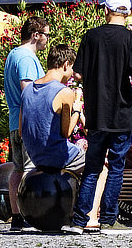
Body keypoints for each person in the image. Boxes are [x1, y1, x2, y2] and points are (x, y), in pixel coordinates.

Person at [70, 0, 132, 235]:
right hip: (121, 111)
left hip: (96, 111)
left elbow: (78, 74)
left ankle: (79, 221)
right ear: (128, 13)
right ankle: (109, 220)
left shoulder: (91, 37)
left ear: (105, 11)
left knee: (92, 167)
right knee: (116, 166)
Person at [3, 16, 48, 230]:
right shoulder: (27, 58)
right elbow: (28, 91)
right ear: (35, 35)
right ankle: (30, 214)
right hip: (28, 122)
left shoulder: (13, 54)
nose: (47, 39)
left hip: (15, 121)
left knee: (18, 169)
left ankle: (17, 217)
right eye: (46, 34)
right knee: (30, 170)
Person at [19, 44, 87, 175]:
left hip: (36, 158)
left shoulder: (27, 90)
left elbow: (21, 131)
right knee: (100, 168)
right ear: (66, 65)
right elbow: (66, 132)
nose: (72, 74)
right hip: (59, 156)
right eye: (72, 69)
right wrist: (77, 110)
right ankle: (87, 197)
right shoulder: (64, 91)